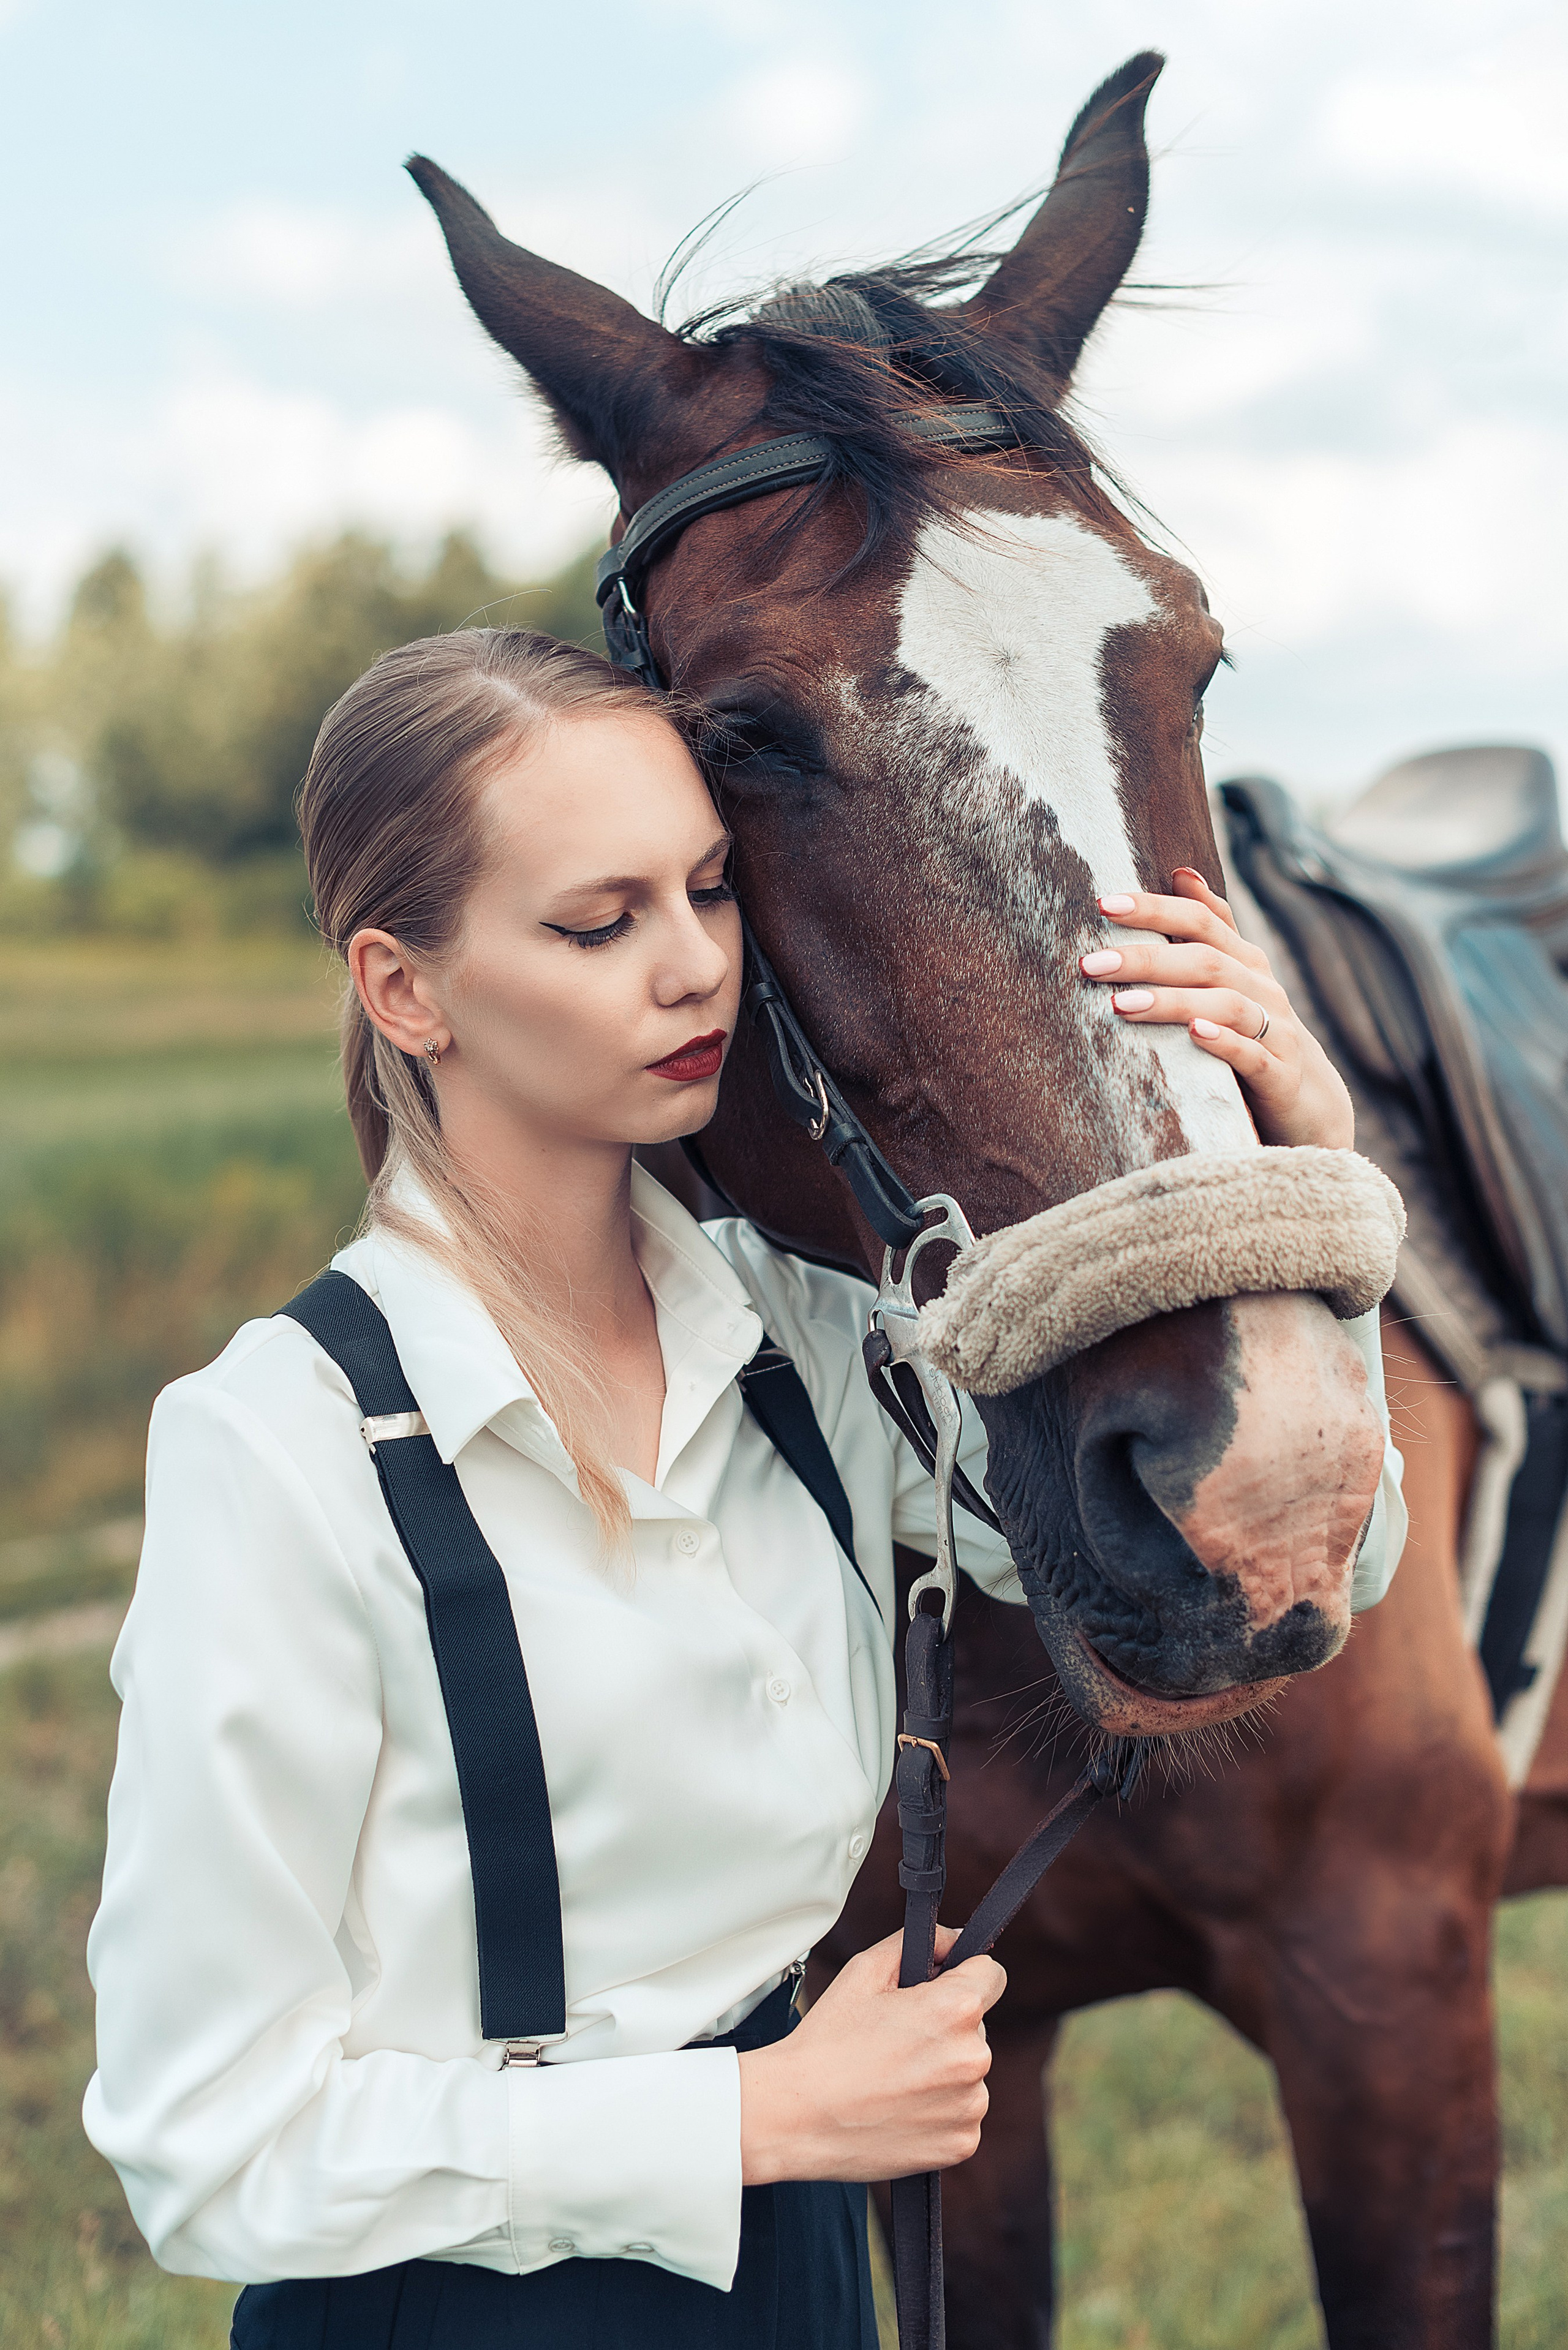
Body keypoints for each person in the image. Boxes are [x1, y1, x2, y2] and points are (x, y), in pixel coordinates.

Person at [83, 628, 1402, 2349]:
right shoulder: (283, 1442)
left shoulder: (802, 1347)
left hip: (799, 2273)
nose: (697, 968)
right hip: (454, 2314)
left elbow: (1264, 1590)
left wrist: (1309, 1202)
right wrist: (760, 2118)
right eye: (597, 921)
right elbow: (207, 2145)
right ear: (403, 987)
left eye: (710, 893)